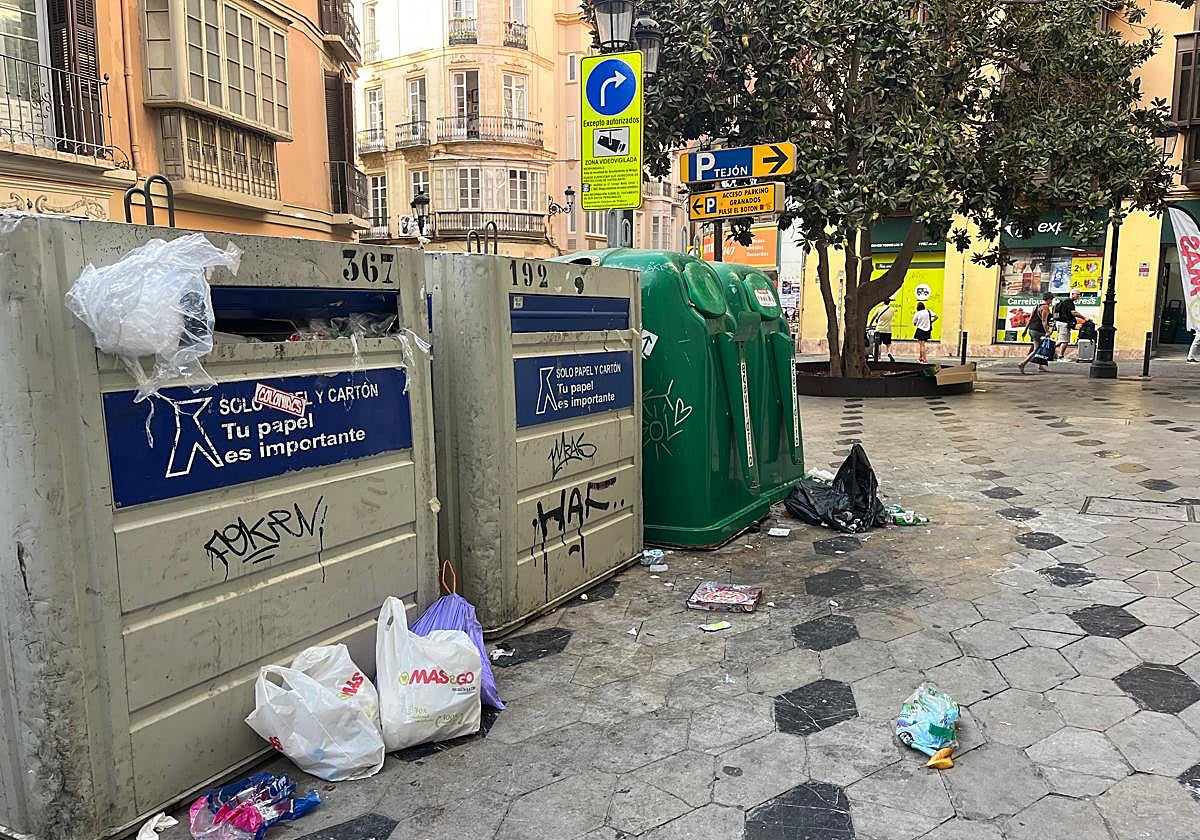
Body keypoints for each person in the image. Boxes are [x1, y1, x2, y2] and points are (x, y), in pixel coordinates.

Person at [1018, 292, 1055, 374]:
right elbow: (1044, 321)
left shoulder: (1037, 306)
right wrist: (1047, 332)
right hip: (1038, 330)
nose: (1051, 302)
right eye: (1051, 300)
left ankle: (1040, 366)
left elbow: (1030, 319)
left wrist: (1025, 330)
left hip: (1032, 329)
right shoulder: (1045, 307)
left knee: (1037, 346)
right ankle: (1023, 363)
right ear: (1048, 299)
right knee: (1037, 349)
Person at [1054, 290, 1083, 361]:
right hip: (1063, 323)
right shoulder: (1069, 302)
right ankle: (1060, 357)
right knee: (1064, 341)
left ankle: (1050, 350)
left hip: (1061, 323)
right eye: (1077, 294)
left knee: (1062, 340)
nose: (1078, 296)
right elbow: (1073, 313)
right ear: (1072, 294)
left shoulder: (1066, 302)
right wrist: (1084, 317)